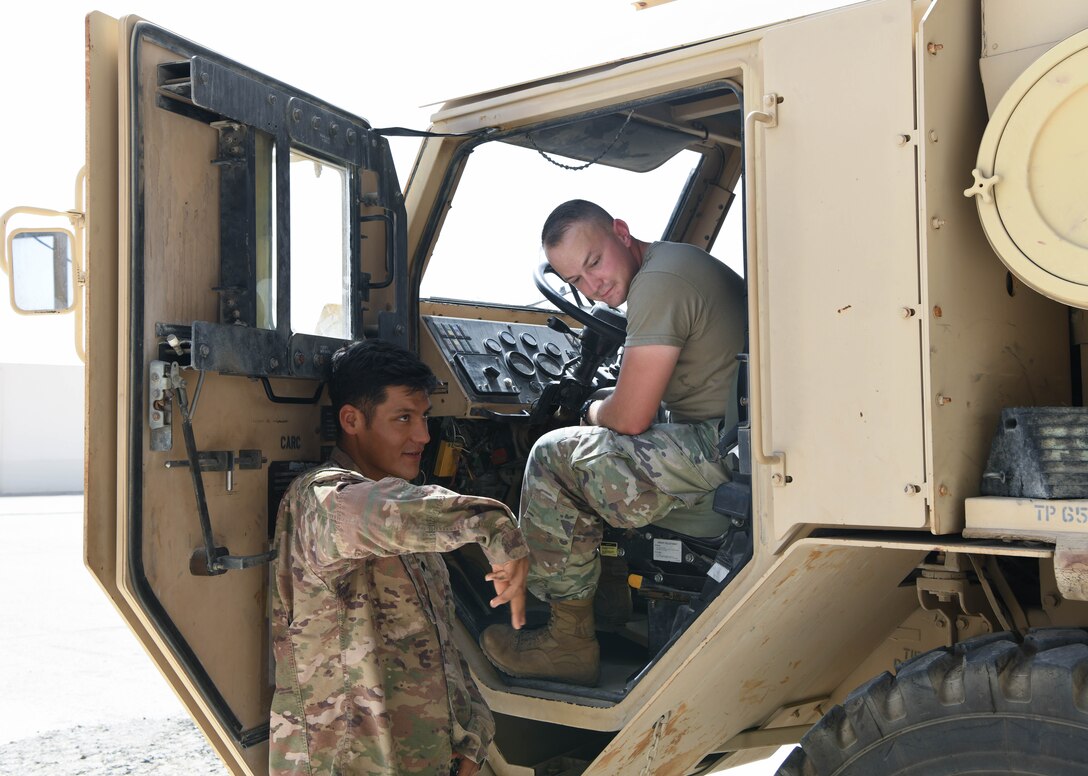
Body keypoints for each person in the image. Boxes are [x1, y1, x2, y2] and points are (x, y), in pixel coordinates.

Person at [481, 199, 746, 686]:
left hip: (724, 451)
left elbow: (629, 417)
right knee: (596, 447)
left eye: (595, 262)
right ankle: (611, 603)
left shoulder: (660, 283)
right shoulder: (674, 263)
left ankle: (568, 641)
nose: (593, 285)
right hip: (733, 439)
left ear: (622, 232)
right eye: (577, 282)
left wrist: (589, 410)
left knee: (554, 456)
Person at [269, 338, 528, 776]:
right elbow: (377, 513)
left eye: (424, 417)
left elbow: (439, 642)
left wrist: (474, 736)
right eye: (403, 418)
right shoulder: (320, 500)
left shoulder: (409, 517)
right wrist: (494, 525)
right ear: (352, 419)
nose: (423, 436)